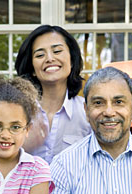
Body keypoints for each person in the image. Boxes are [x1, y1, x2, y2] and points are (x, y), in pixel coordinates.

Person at [15, 25, 91, 164]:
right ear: (32, 68)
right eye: (40, 55)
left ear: (72, 60)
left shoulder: (88, 112)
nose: (49, 58)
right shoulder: (16, 112)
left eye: (57, 51)